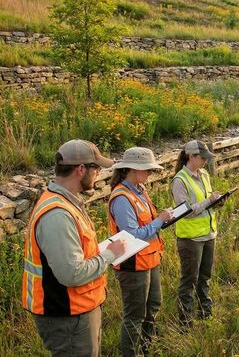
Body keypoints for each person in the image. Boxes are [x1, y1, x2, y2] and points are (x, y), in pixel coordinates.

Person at [21, 139, 125, 357]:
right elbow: (72, 273)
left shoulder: (65, 202)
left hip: (75, 310)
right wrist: (109, 255)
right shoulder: (58, 214)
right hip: (67, 316)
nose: (98, 174)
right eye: (96, 168)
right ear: (81, 170)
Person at [108, 147, 173, 356]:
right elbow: (133, 234)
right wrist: (160, 220)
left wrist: (162, 220)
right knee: (134, 316)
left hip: (149, 260)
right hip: (132, 265)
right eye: (148, 170)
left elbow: (148, 223)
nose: (150, 174)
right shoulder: (121, 198)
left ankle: (146, 349)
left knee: (153, 305)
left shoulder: (139, 190)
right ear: (134, 169)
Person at [171, 140, 221, 326]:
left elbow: (205, 202)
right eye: (202, 158)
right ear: (190, 156)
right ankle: (186, 323)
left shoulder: (204, 174)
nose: (205, 161)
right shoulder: (179, 180)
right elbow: (187, 211)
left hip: (208, 234)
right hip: (190, 238)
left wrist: (217, 201)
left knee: (205, 278)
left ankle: (205, 314)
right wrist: (209, 201)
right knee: (189, 281)